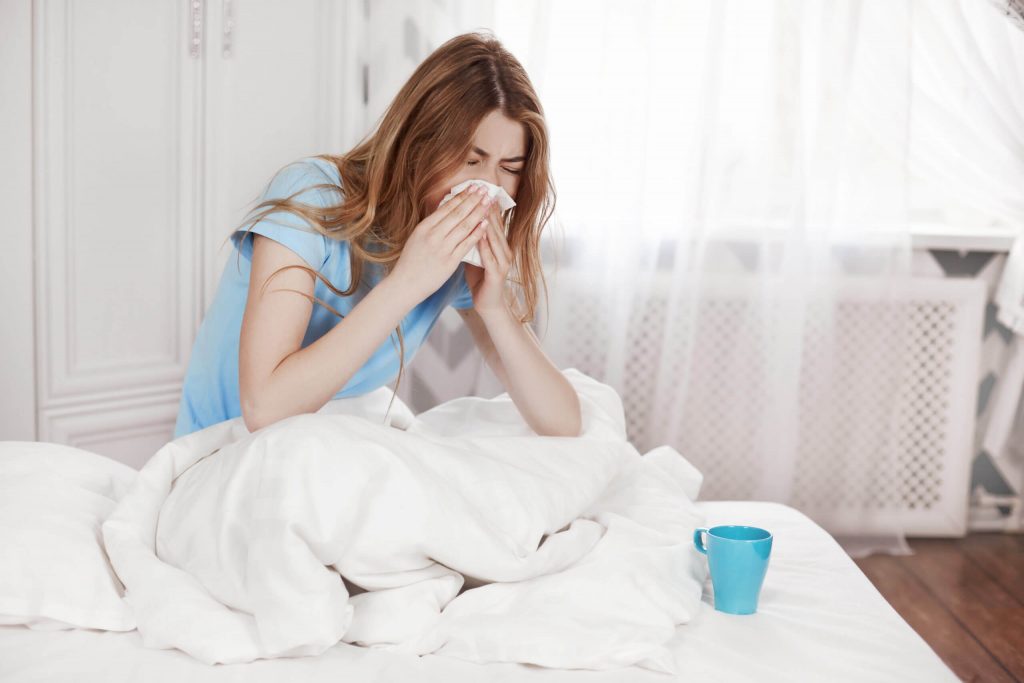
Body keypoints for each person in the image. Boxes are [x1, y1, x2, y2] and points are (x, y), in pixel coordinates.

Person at [172, 31, 582, 440]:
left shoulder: (456, 260)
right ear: (419, 145)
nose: (487, 189)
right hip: (225, 454)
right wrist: (406, 283)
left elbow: (562, 421)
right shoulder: (310, 196)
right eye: (471, 160)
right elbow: (264, 407)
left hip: (322, 451)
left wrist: (495, 309)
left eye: (509, 168)